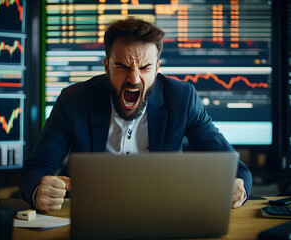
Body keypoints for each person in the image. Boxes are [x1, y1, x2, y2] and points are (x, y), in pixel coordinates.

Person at [19, 17, 252, 213]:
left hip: (163, 215)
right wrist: (39, 191)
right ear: (106, 66)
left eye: (144, 67)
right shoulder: (73, 100)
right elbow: (35, 169)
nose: (133, 78)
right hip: (91, 216)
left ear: (158, 68)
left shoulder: (182, 98)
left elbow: (237, 169)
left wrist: (238, 188)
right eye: (122, 66)